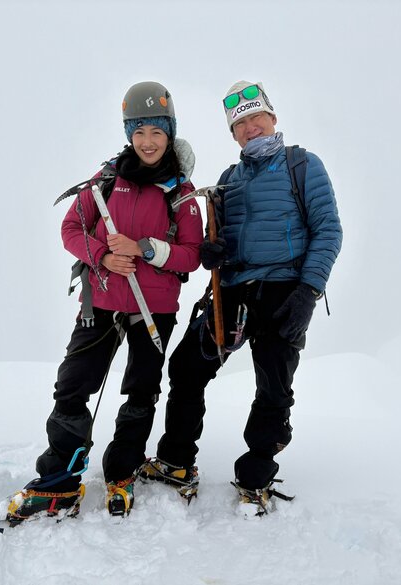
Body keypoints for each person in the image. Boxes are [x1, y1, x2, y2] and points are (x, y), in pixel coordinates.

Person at [141, 80, 343, 516]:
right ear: (232, 134)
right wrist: (215, 252)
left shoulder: (302, 165)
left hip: (286, 289)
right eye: (240, 123)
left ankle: (256, 474)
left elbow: (328, 230)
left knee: (273, 385)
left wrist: (308, 291)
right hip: (232, 290)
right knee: (187, 367)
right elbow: (220, 239)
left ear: (272, 119)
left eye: (256, 118)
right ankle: (176, 460)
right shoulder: (228, 181)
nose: (250, 128)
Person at [6, 81, 203, 520]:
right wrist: (104, 256)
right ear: (128, 133)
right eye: (139, 131)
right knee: (73, 385)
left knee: (140, 391)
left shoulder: (183, 193)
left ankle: (123, 470)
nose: (147, 141)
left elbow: (192, 255)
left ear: (169, 133)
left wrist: (144, 248)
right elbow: (70, 230)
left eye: (156, 131)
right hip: (102, 304)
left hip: (154, 311)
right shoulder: (107, 180)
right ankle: (60, 480)